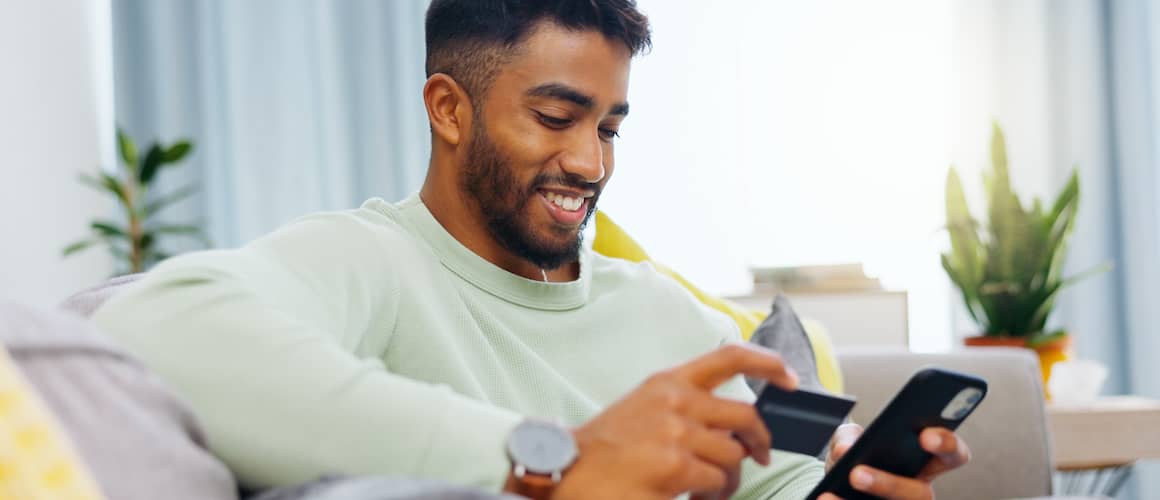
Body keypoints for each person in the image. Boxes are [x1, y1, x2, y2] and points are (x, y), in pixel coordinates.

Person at [94, 1, 970, 499]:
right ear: (448, 108)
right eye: (556, 119)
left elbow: (768, 488)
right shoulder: (368, 260)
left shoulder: (665, 312)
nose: (590, 163)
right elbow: (152, 330)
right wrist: (556, 458)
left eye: (611, 126)